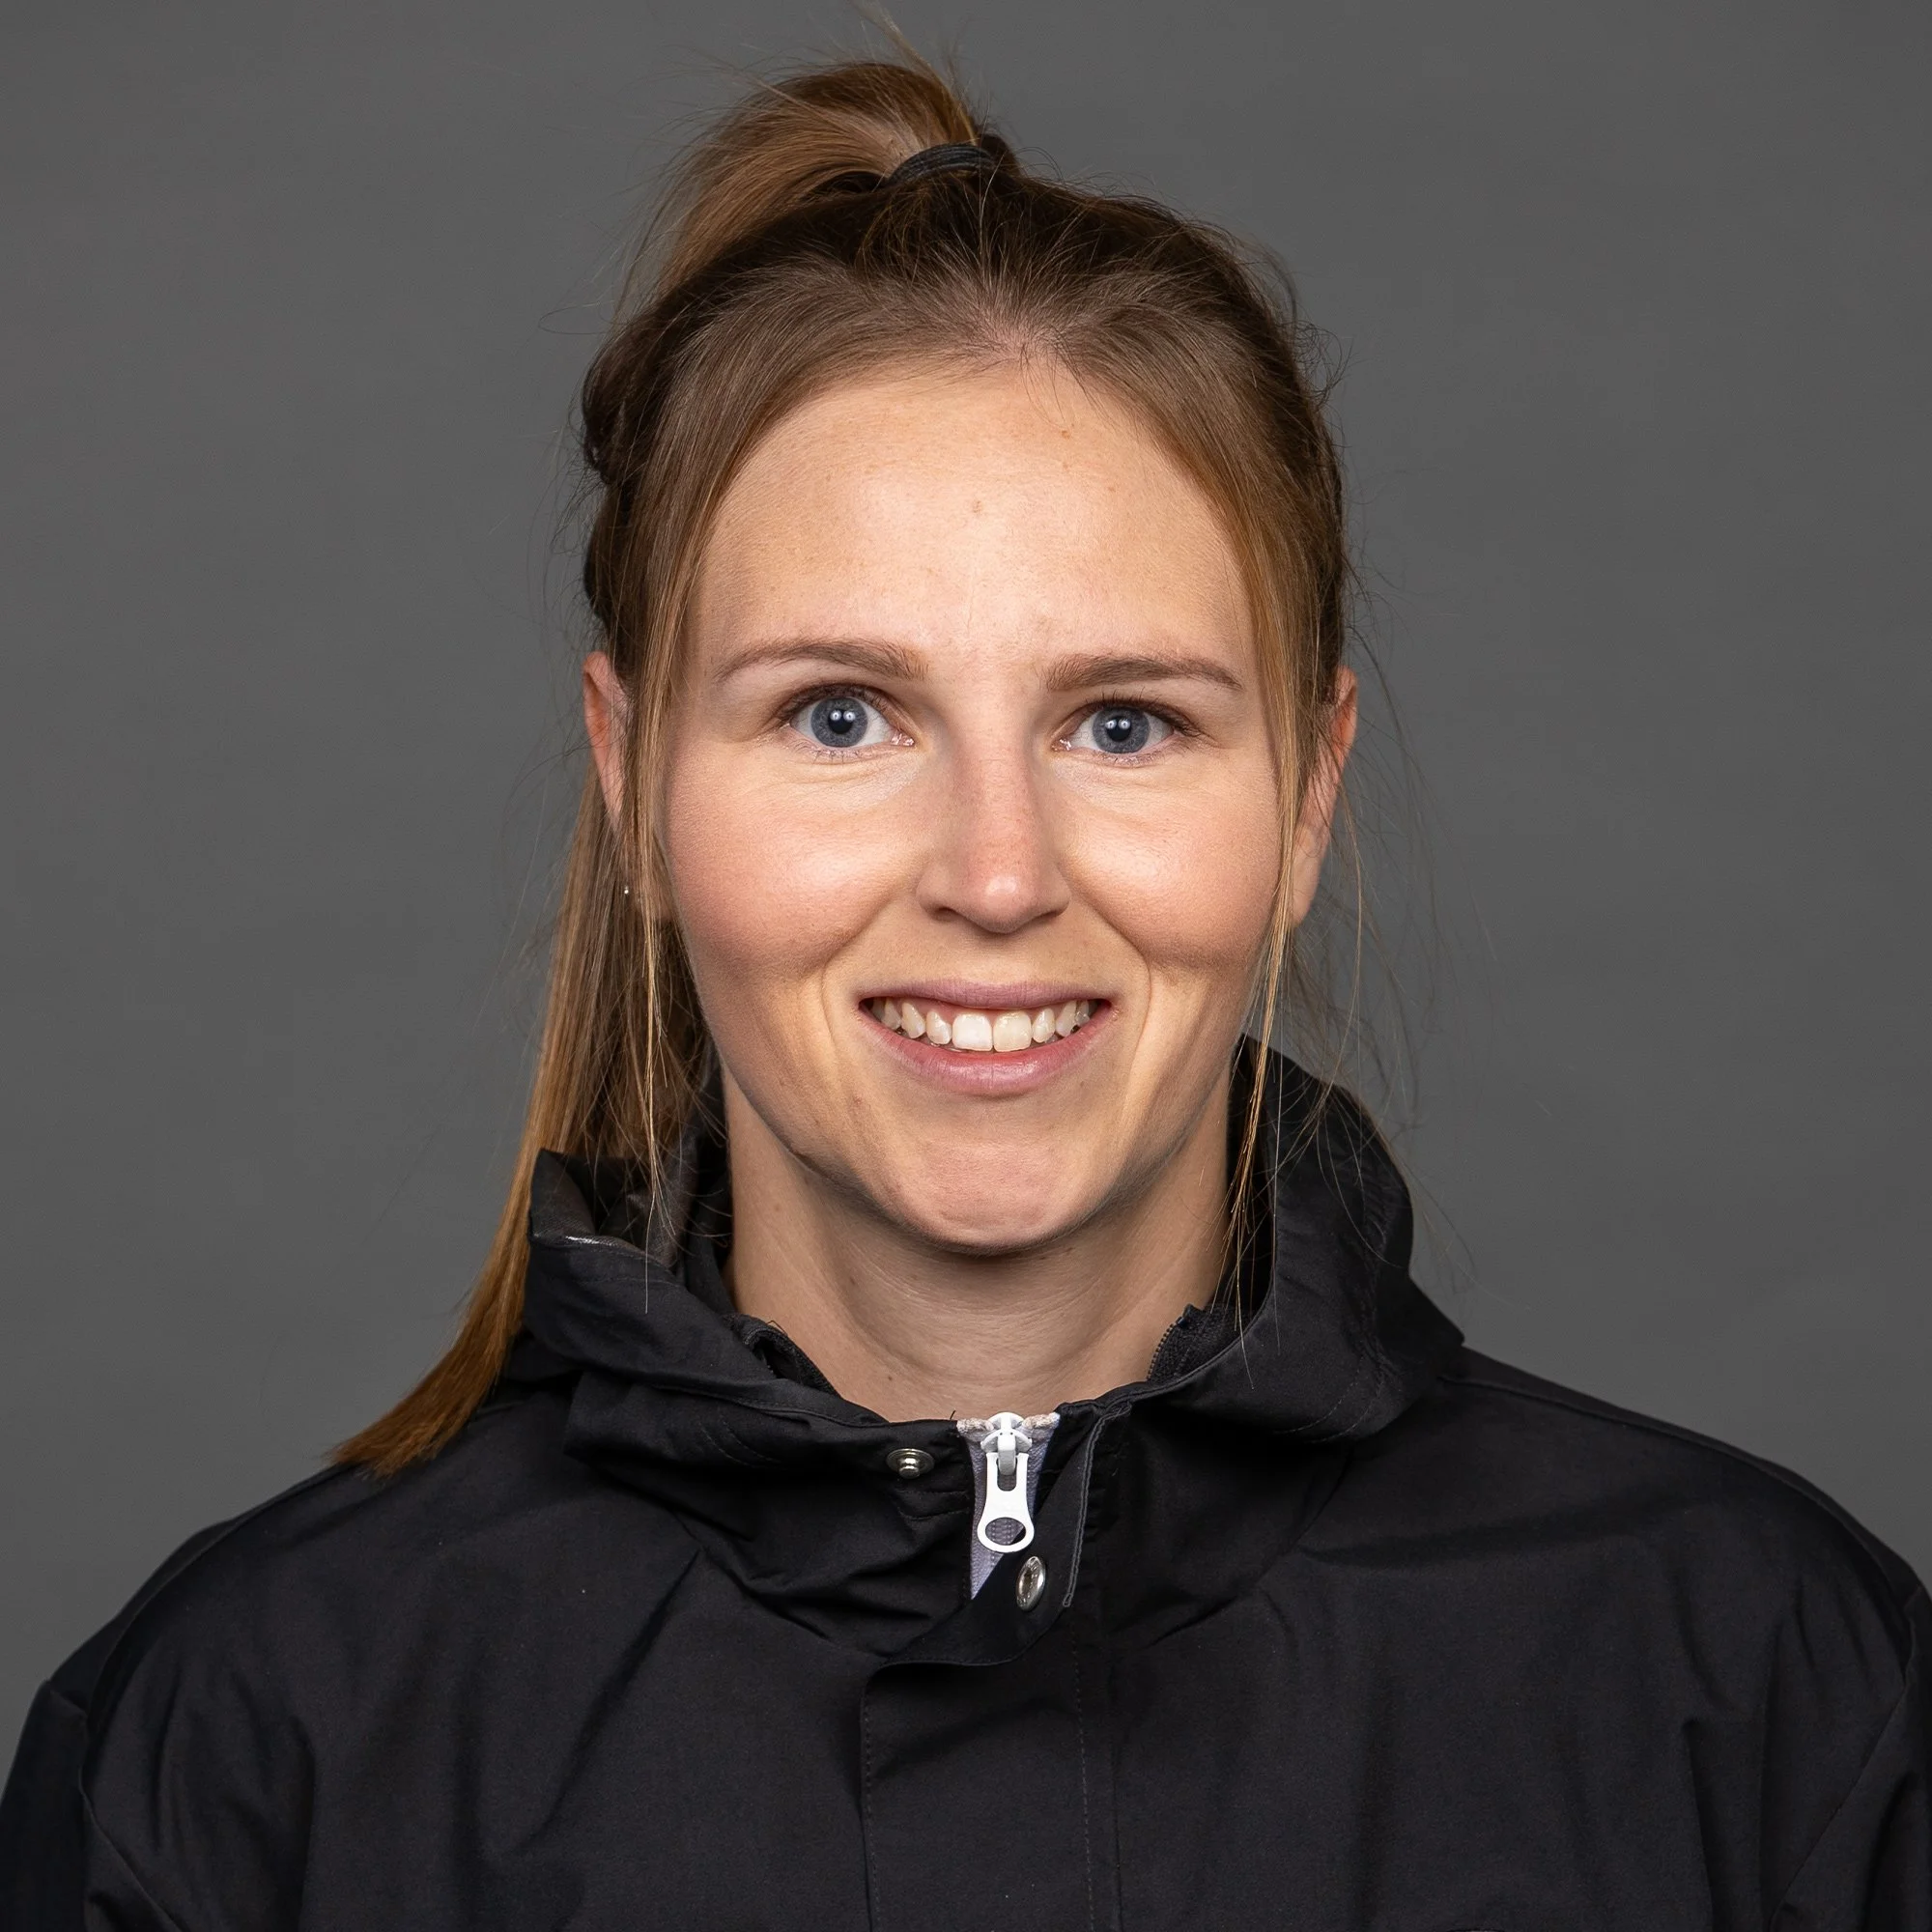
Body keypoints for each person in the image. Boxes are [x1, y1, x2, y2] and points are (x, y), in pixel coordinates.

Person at [2, 52, 1925, 1932]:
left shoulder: (1769, 1698)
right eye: (842, 715)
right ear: (633, 777)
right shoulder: (251, 1743)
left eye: (1121, 721)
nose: (995, 875)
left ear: (1310, 789)